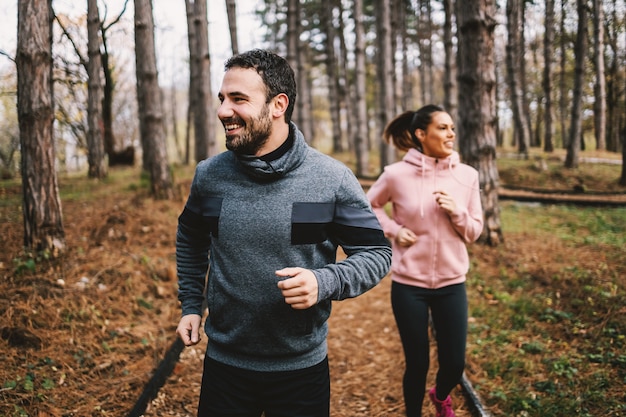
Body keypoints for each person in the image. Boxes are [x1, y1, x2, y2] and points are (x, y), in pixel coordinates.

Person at [175, 49, 392, 417]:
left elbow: (376, 254)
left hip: (300, 372)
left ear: (278, 104)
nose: (223, 110)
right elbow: (191, 239)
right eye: (222, 99)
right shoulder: (210, 177)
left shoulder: (331, 179)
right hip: (224, 368)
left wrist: (324, 281)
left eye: (238, 99)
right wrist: (191, 305)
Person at [366, 105, 484, 417]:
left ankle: (440, 394)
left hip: (451, 282)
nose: (451, 134)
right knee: (417, 363)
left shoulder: (467, 176)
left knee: (454, 363)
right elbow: (370, 206)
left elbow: (473, 232)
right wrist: (394, 229)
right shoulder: (395, 175)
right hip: (409, 284)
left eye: (452, 127)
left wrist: (457, 211)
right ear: (422, 134)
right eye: (443, 128)